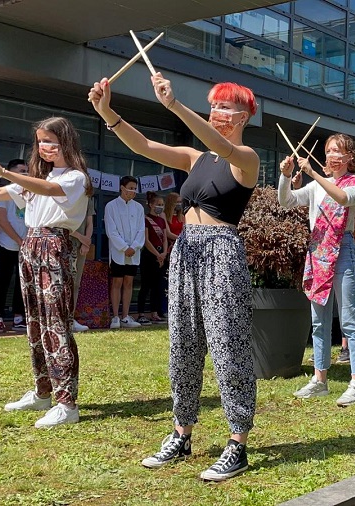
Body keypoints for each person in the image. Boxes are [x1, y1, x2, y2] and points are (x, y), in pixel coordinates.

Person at [89, 73, 258, 481]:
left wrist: (174, 106)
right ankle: (181, 433)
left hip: (221, 250)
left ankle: (237, 442)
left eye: (227, 106)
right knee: (182, 343)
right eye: (214, 105)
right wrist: (106, 111)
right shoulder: (193, 157)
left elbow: (222, 145)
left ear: (245, 115)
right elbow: (144, 146)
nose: (218, 112)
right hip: (187, 250)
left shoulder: (246, 157)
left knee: (227, 344)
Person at [0, 116, 92, 427]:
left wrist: (3, 171)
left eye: (51, 140)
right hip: (31, 245)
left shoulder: (75, 178)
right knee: (36, 324)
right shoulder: (35, 178)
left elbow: (50, 189)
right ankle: (42, 392)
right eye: (41, 141)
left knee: (56, 323)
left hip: (55, 245)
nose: (45, 147)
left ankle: (67, 403)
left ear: (66, 142)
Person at [279, 134, 355, 405]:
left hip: (343, 252)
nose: (333, 155)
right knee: (319, 322)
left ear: (350, 157)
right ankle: (320, 380)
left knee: (350, 321)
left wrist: (313, 174)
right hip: (318, 253)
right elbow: (286, 201)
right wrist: (286, 176)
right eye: (329, 150)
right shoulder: (317, 186)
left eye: (339, 151)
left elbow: (343, 198)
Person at [0, 159, 29, 331]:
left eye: (26, 171)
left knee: (22, 282)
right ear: (10, 171)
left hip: (25, 244)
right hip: (7, 243)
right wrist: (18, 240)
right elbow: (2, 220)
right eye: (21, 171)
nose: (25, 173)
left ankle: (18, 316)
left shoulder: (30, 192)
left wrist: (26, 241)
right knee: (3, 279)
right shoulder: (4, 192)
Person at [105, 175, 144, 329]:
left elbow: (141, 230)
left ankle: (125, 316)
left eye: (135, 189)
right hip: (118, 252)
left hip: (134, 253)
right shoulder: (111, 206)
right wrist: (123, 247)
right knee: (117, 282)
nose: (132, 191)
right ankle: (115, 317)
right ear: (122, 187)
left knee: (129, 282)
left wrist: (134, 247)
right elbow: (111, 230)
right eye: (130, 188)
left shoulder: (139, 207)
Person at [137, 191, 169, 324]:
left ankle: (154, 313)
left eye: (162, 205)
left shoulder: (162, 220)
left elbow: (165, 238)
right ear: (150, 205)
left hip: (162, 255)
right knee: (146, 285)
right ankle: (141, 313)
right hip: (149, 255)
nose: (160, 207)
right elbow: (146, 239)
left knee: (158, 286)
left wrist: (164, 253)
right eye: (158, 204)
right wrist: (157, 254)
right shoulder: (145, 219)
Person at [70, 195, 95, 332]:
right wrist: (82, 238)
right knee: (64, 283)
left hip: (81, 246)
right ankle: (61, 318)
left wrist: (86, 241)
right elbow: (62, 223)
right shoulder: (66, 195)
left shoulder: (87, 199)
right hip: (66, 243)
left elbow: (89, 222)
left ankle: (71, 318)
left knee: (76, 283)